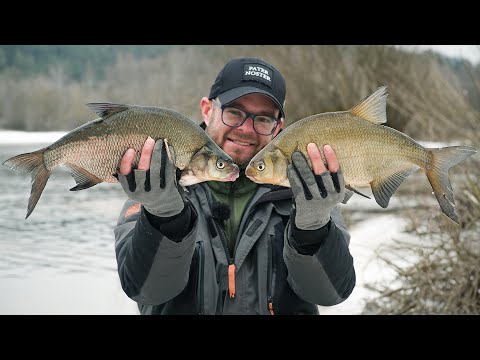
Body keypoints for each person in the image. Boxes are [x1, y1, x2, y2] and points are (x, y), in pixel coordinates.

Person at [113, 57, 356, 315]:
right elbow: (145, 290)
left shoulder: (310, 192)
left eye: (263, 119)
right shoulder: (156, 184)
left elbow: (331, 293)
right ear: (207, 110)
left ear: (278, 128)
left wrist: (313, 229)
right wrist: (164, 218)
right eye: (234, 112)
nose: (246, 129)